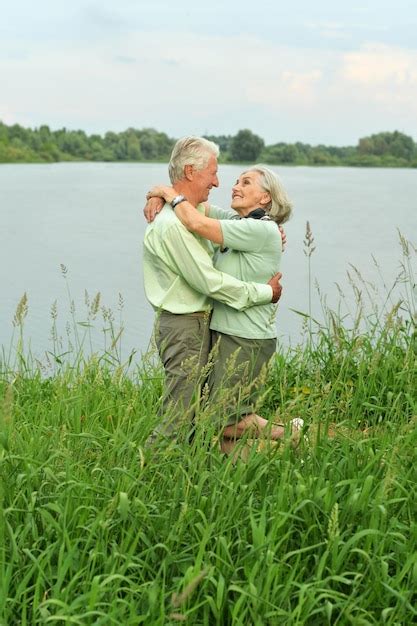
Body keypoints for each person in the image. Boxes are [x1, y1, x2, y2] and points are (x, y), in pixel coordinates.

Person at [146, 164, 303, 454]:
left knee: (224, 420)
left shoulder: (260, 230)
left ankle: (289, 434)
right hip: (226, 332)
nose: (235, 186)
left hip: (246, 337)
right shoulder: (238, 222)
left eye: (246, 183)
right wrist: (158, 194)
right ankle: (235, 481)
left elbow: (196, 223)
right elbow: (195, 206)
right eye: (236, 181)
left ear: (265, 198)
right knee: (226, 425)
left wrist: (167, 192)